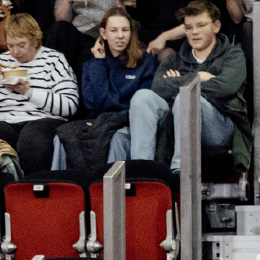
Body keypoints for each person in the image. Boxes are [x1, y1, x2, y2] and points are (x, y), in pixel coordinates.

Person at [118, 0, 248, 172]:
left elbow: (225, 87)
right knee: (142, 97)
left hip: (220, 125)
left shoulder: (233, 55)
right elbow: (159, 87)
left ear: (216, 26)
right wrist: (198, 77)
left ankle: (181, 171)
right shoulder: (175, 58)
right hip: (178, 121)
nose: (194, 32)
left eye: (201, 25)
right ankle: (143, 171)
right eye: (189, 27)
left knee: (185, 98)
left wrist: (180, 83)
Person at [0, 14, 78, 175]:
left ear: (34, 40)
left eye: (21, 45)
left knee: (32, 138)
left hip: (43, 120)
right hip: (5, 121)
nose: (15, 52)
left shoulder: (54, 60)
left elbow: (70, 105)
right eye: (11, 45)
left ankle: (31, 192)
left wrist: (28, 92)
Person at [50, 8, 154, 172]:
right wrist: (98, 63)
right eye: (114, 30)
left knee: (116, 139)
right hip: (98, 122)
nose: (120, 35)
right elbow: (94, 104)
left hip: (127, 124)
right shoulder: (92, 65)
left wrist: (110, 107)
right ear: (103, 33)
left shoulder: (146, 62)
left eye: (125, 30)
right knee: (61, 138)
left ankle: (111, 194)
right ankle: (64, 192)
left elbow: (142, 107)